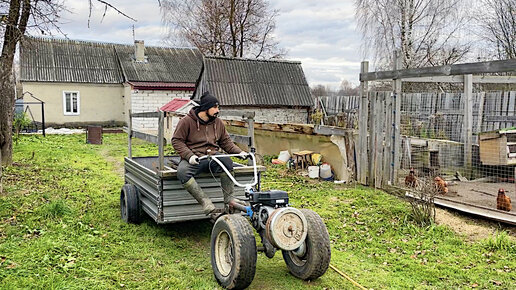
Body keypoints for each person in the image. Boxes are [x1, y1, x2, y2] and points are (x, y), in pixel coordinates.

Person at [172, 91, 247, 218]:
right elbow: (176, 141)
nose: (218, 110)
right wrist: (189, 156)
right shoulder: (186, 121)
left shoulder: (217, 123)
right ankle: (205, 202)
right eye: (215, 107)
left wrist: (240, 152)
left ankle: (229, 200)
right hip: (195, 158)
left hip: (212, 157)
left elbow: (226, 142)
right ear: (205, 108)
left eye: (218, 107)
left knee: (227, 163)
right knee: (182, 172)